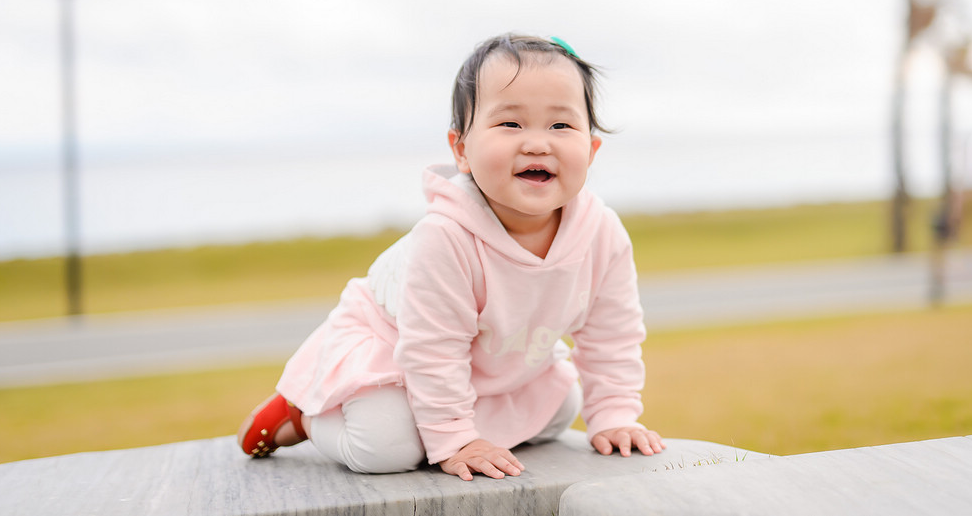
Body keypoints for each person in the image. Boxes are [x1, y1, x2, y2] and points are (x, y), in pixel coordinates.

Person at [237, 33, 665, 481]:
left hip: (489, 363)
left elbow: (612, 333)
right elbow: (433, 351)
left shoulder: (602, 233)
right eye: (510, 124)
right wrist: (456, 440)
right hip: (395, 347)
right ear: (461, 150)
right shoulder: (446, 236)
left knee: (562, 406)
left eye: (561, 126)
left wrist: (615, 414)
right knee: (387, 448)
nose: (538, 144)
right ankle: (305, 412)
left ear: (592, 150)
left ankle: (447, 419)